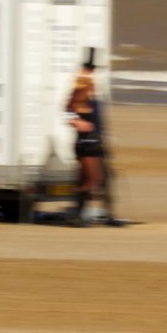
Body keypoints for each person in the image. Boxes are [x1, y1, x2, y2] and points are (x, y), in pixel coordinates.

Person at [64, 59, 118, 226]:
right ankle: (76, 214)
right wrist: (78, 122)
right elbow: (67, 111)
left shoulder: (91, 92)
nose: (92, 74)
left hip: (95, 141)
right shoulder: (81, 89)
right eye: (89, 71)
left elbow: (97, 120)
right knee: (94, 179)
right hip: (86, 143)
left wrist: (103, 138)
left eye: (93, 71)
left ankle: (106, 214)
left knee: (103, 178)